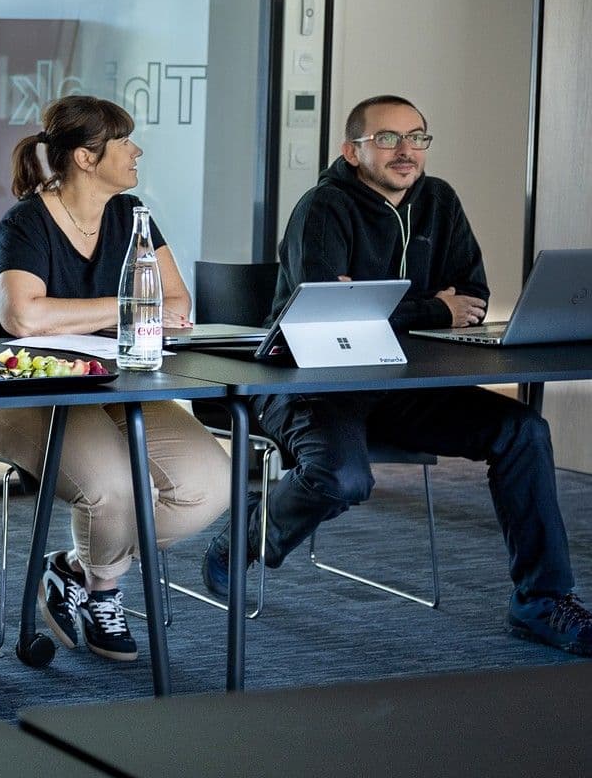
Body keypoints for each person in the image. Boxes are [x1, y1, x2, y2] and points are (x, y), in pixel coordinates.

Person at [202, 94, 592, 655]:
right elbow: (329, 312)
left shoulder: (440, 201)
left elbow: (474, 296)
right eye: (387, 138)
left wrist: (404, 306)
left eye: (417, 138)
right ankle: (244, 536)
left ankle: (540, 602)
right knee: (343, 478)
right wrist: (433, 307)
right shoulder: (322, 208)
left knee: (524, 430)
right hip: (309, 383)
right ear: (352, 150)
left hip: (403, 386)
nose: (406, 151)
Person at [0, 94, 229, 663]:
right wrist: (126, 308)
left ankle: (69, 567)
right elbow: (23, 317)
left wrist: (123, 310)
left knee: (209, 483)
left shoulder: (131, 214)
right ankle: (103, 591)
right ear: (86, 158)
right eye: (124, 141)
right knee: (110, 489)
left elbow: (178, 306)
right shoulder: (26, 222)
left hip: (115, 387)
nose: (137, 151)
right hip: (20, 392)